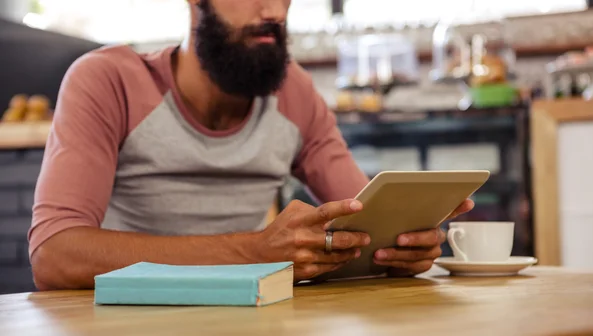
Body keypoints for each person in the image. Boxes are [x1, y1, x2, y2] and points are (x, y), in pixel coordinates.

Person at [29, 0, 473, 290]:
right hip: (117, 333)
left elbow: (362, 218)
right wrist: (252, 252)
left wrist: (400, 248)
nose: (274, 11)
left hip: (249, 324)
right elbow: (55, 255)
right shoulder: (108, 81)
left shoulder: (294, 93)